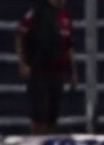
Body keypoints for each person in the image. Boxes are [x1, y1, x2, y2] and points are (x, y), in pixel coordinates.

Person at [15, 0, 78, 134]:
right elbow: (20, 36)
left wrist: (73, 71)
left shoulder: (65, 17)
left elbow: (69, 46)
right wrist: (23, 63)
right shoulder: (36, 12)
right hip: (38, 70)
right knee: (39, 115)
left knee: (52, 115)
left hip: (58, 71)